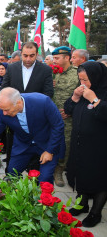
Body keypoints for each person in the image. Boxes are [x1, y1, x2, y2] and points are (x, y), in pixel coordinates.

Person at [0, 87, 64, 183]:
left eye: (7, 110)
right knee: (11, 175)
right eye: (2, 110)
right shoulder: (3, 109)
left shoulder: (42, 102)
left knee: (45, 179)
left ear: (18, 103)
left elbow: (58, 126)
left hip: (47, 144)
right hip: (23, 145)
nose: (4, 113)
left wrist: (50, 151)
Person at [64, 62, 107, 227]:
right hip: (79, 142)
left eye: (86, 80)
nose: (83, 84)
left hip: (99, 146)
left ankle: (95, 212)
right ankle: (82, 203)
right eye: (80, 79)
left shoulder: (102, 91)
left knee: (99, 178)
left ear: (96, 78)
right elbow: (68, 110)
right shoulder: (81, 91)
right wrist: (75, 97)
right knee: (79, 172)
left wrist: (94, 99)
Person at [1, 42, 54, 171]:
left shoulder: (45, 69)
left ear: (37, 54)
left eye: (32, 56)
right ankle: (11, 177)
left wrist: (29, 107)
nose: (28, 59)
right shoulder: (12, 68)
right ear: (21, 54)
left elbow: (48, 94)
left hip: (36, 119)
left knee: (35, 159)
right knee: (13, 152)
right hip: (14, 117)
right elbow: (4, 88)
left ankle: (33, 177)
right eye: (25, 56)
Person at [51, 46, 79, 187]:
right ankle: (50, 166)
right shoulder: (52, 73)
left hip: (68, 117)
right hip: (52, 114)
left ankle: (59, 170)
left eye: (57, 58)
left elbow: (83, 95)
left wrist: (71, 110)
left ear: (67, 58)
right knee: (51, 140)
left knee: (66, 143)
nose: (54, 61)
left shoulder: (77, 73)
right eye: (53, 58)